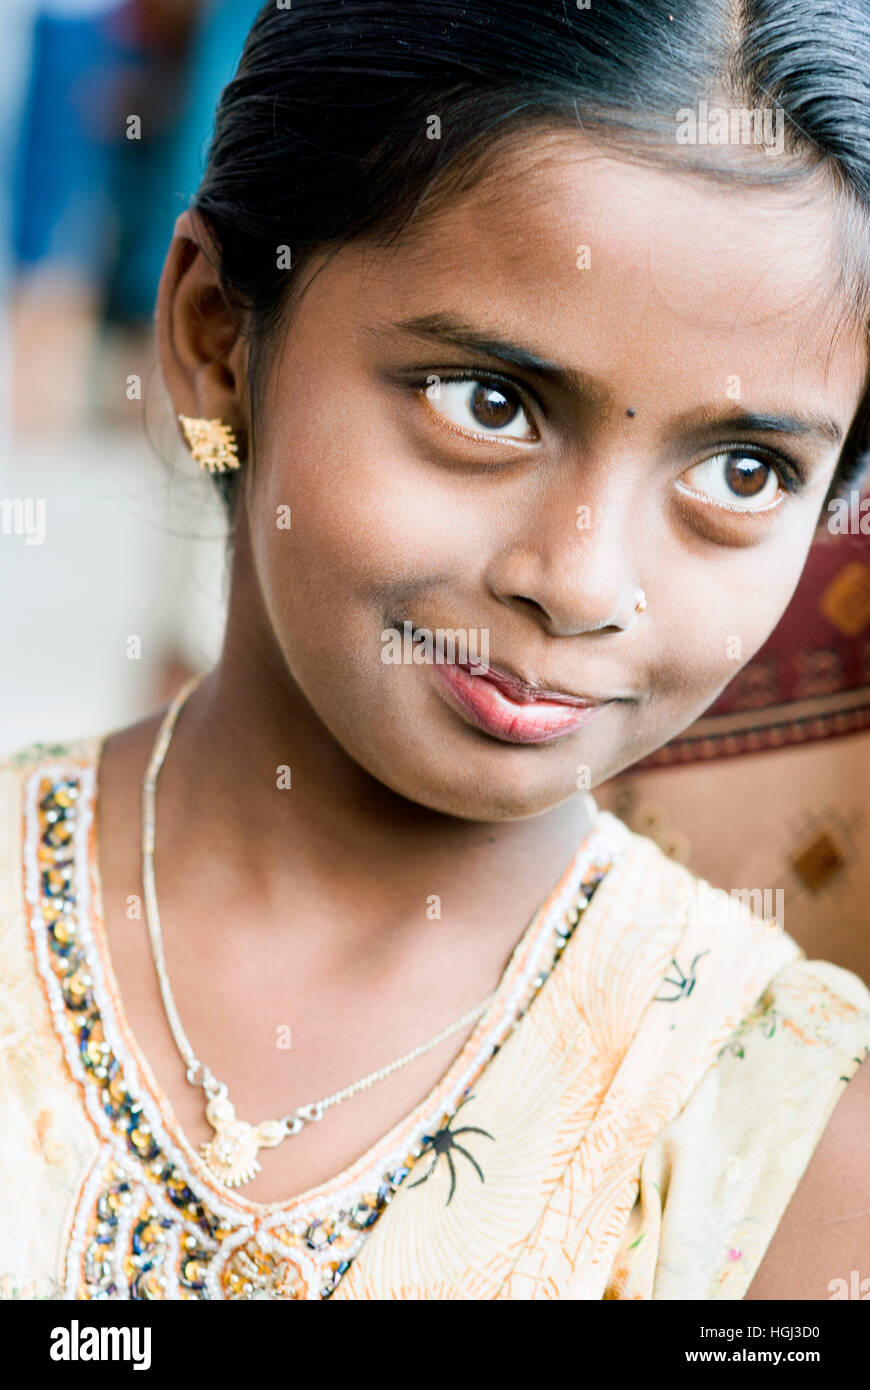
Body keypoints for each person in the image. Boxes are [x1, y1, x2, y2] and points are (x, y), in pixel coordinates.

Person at [2, 0, 870, 1302]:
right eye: (489, 403)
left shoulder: (787, 1133)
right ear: (214, 338)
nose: (579, 581)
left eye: (743, 469)